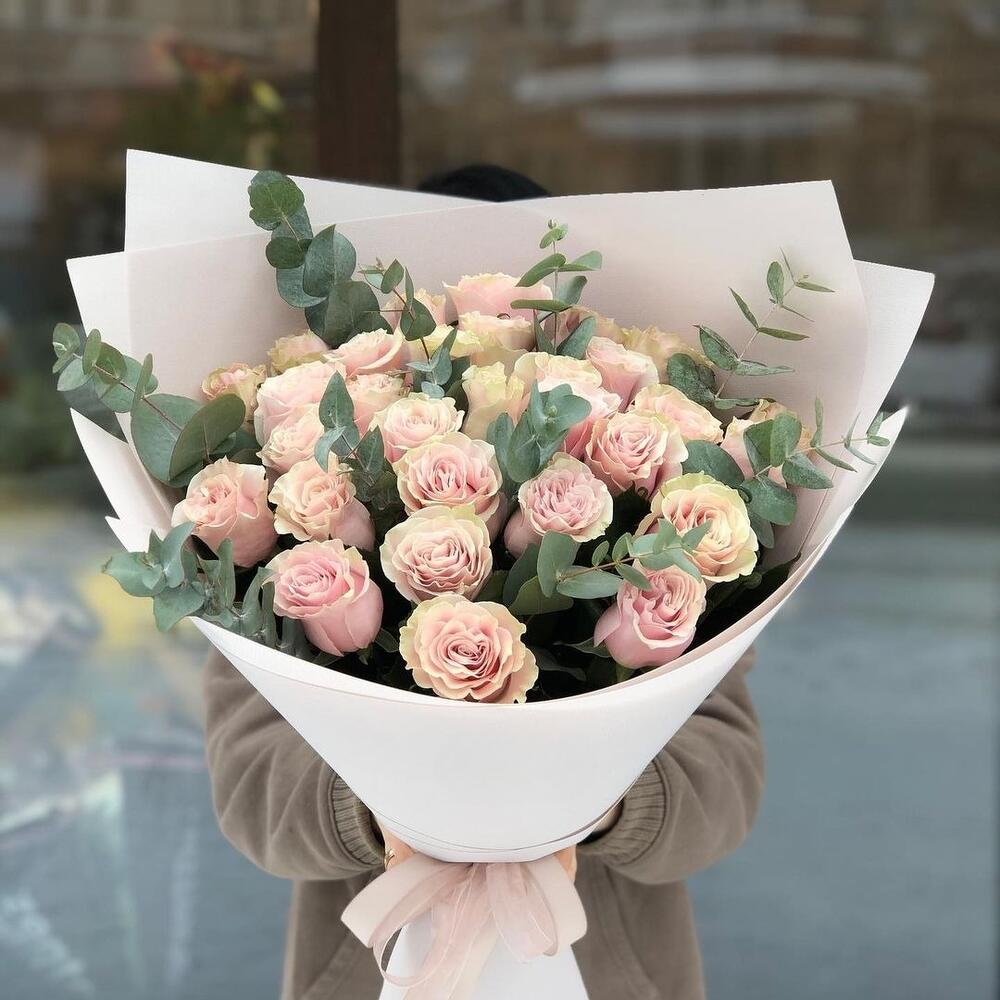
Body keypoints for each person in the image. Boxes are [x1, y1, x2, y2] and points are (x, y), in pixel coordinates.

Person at [203, 166, 765, 999]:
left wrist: (595, 799)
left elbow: (727, 792)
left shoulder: (668, 556)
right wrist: (390, 809)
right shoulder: (268, 577)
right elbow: (250, 795)